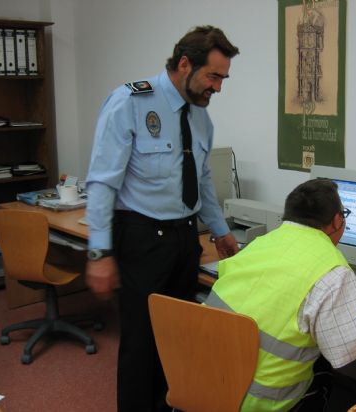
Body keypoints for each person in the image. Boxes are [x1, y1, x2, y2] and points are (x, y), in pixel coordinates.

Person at [85, 26, 240, 412]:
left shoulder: (201, 118)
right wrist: (99, 253)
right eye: (213, 76)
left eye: (223, 78)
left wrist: (220, 230)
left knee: (177, 341)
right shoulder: (130, 102)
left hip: (186, 240)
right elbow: (103, 184)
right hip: (141, 239)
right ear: (185, 64)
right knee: (141, 345)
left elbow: (202, 179)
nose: (218, 88)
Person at [205, 178, 356, 412]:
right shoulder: (333, 271)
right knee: (326, 368)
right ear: (337, 220)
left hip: (206, 382)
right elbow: (345, 351)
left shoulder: (260, 243)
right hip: (259, 402)